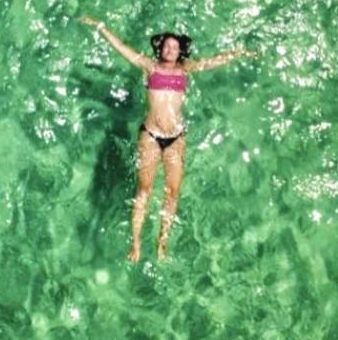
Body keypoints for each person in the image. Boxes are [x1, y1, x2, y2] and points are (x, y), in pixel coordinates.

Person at [79, 15, 258, 262]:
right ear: (160, 48)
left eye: (175, 47)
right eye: (166, 46)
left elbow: (211, 62)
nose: (170, 49)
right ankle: (137, 243)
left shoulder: (186, 69)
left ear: (180, 51)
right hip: (151, 136)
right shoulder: (150, 67)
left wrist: (239, 53)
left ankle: (162, 242)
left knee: (172, 193)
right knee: (143, 191)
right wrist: (100, 27)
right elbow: (122, 49)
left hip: (176, 137)